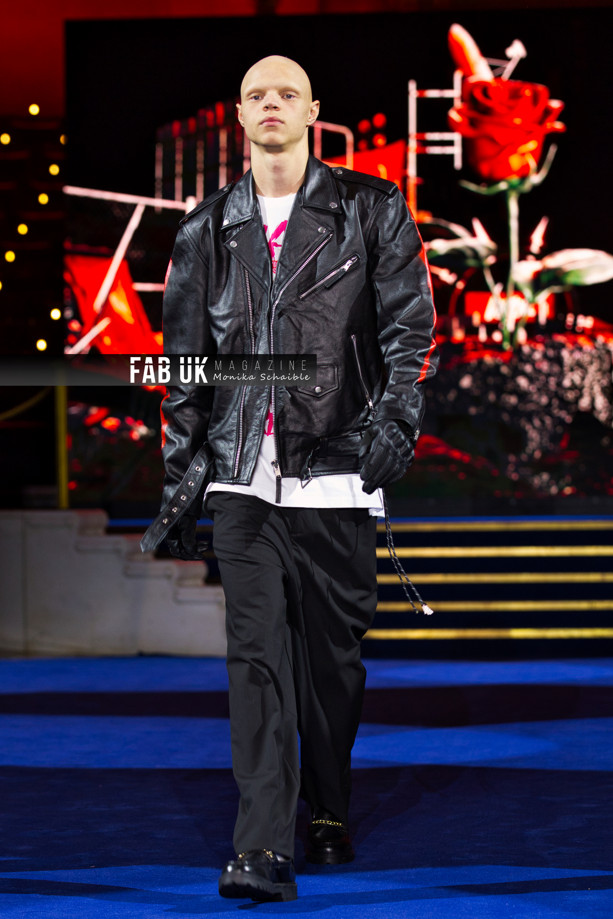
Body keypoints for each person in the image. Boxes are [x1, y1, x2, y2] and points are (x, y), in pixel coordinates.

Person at [149, 55, 438, 902]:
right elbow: (184, 368)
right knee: (256, 660)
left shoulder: (371, 208)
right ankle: (261, 846)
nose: (271, 103)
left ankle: (328, 805)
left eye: (286, 93)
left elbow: (408, 328)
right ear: (239, 115)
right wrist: (183, 478)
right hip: (243, 478)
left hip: (338, 473)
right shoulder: (205, 230)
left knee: (331, 669)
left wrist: (395, 421)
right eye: (256, 95)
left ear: (313, 110)